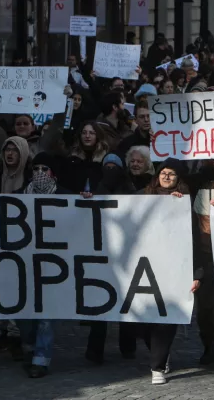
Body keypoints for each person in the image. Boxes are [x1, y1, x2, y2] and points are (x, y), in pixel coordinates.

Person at [18, 153, 74, 378]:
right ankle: (29, 348)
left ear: (54, 174)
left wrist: (86, 201)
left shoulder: (67, 197)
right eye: (36, 168)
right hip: (24, 264)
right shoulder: (17, 196)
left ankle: (41, 359)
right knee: (24, 315)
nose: (40, 173)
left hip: (53, 266)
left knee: (46, 316)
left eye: (45, 168)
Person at [139, 159, 195, 385]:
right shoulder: (142, 197)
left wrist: (196, 273)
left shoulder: (184, 203)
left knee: (165, 318)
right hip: (144, 268)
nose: (167, 176)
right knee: (142, 320)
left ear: (178, 178)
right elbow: (115, 207)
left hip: (173, 268)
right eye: (163, 172)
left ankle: (157, 366)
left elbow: (193, 239)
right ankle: (159, 353)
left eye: (172, 173)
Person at [83, 154, 141, 365]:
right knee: (101, 302)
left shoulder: (130, 189)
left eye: (113, 167)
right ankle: (95, 349)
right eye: (106, 166)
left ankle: (128, 346)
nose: (110, 170)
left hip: (126, 255)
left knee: (126, 302)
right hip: (101, 254)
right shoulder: (96, 188)